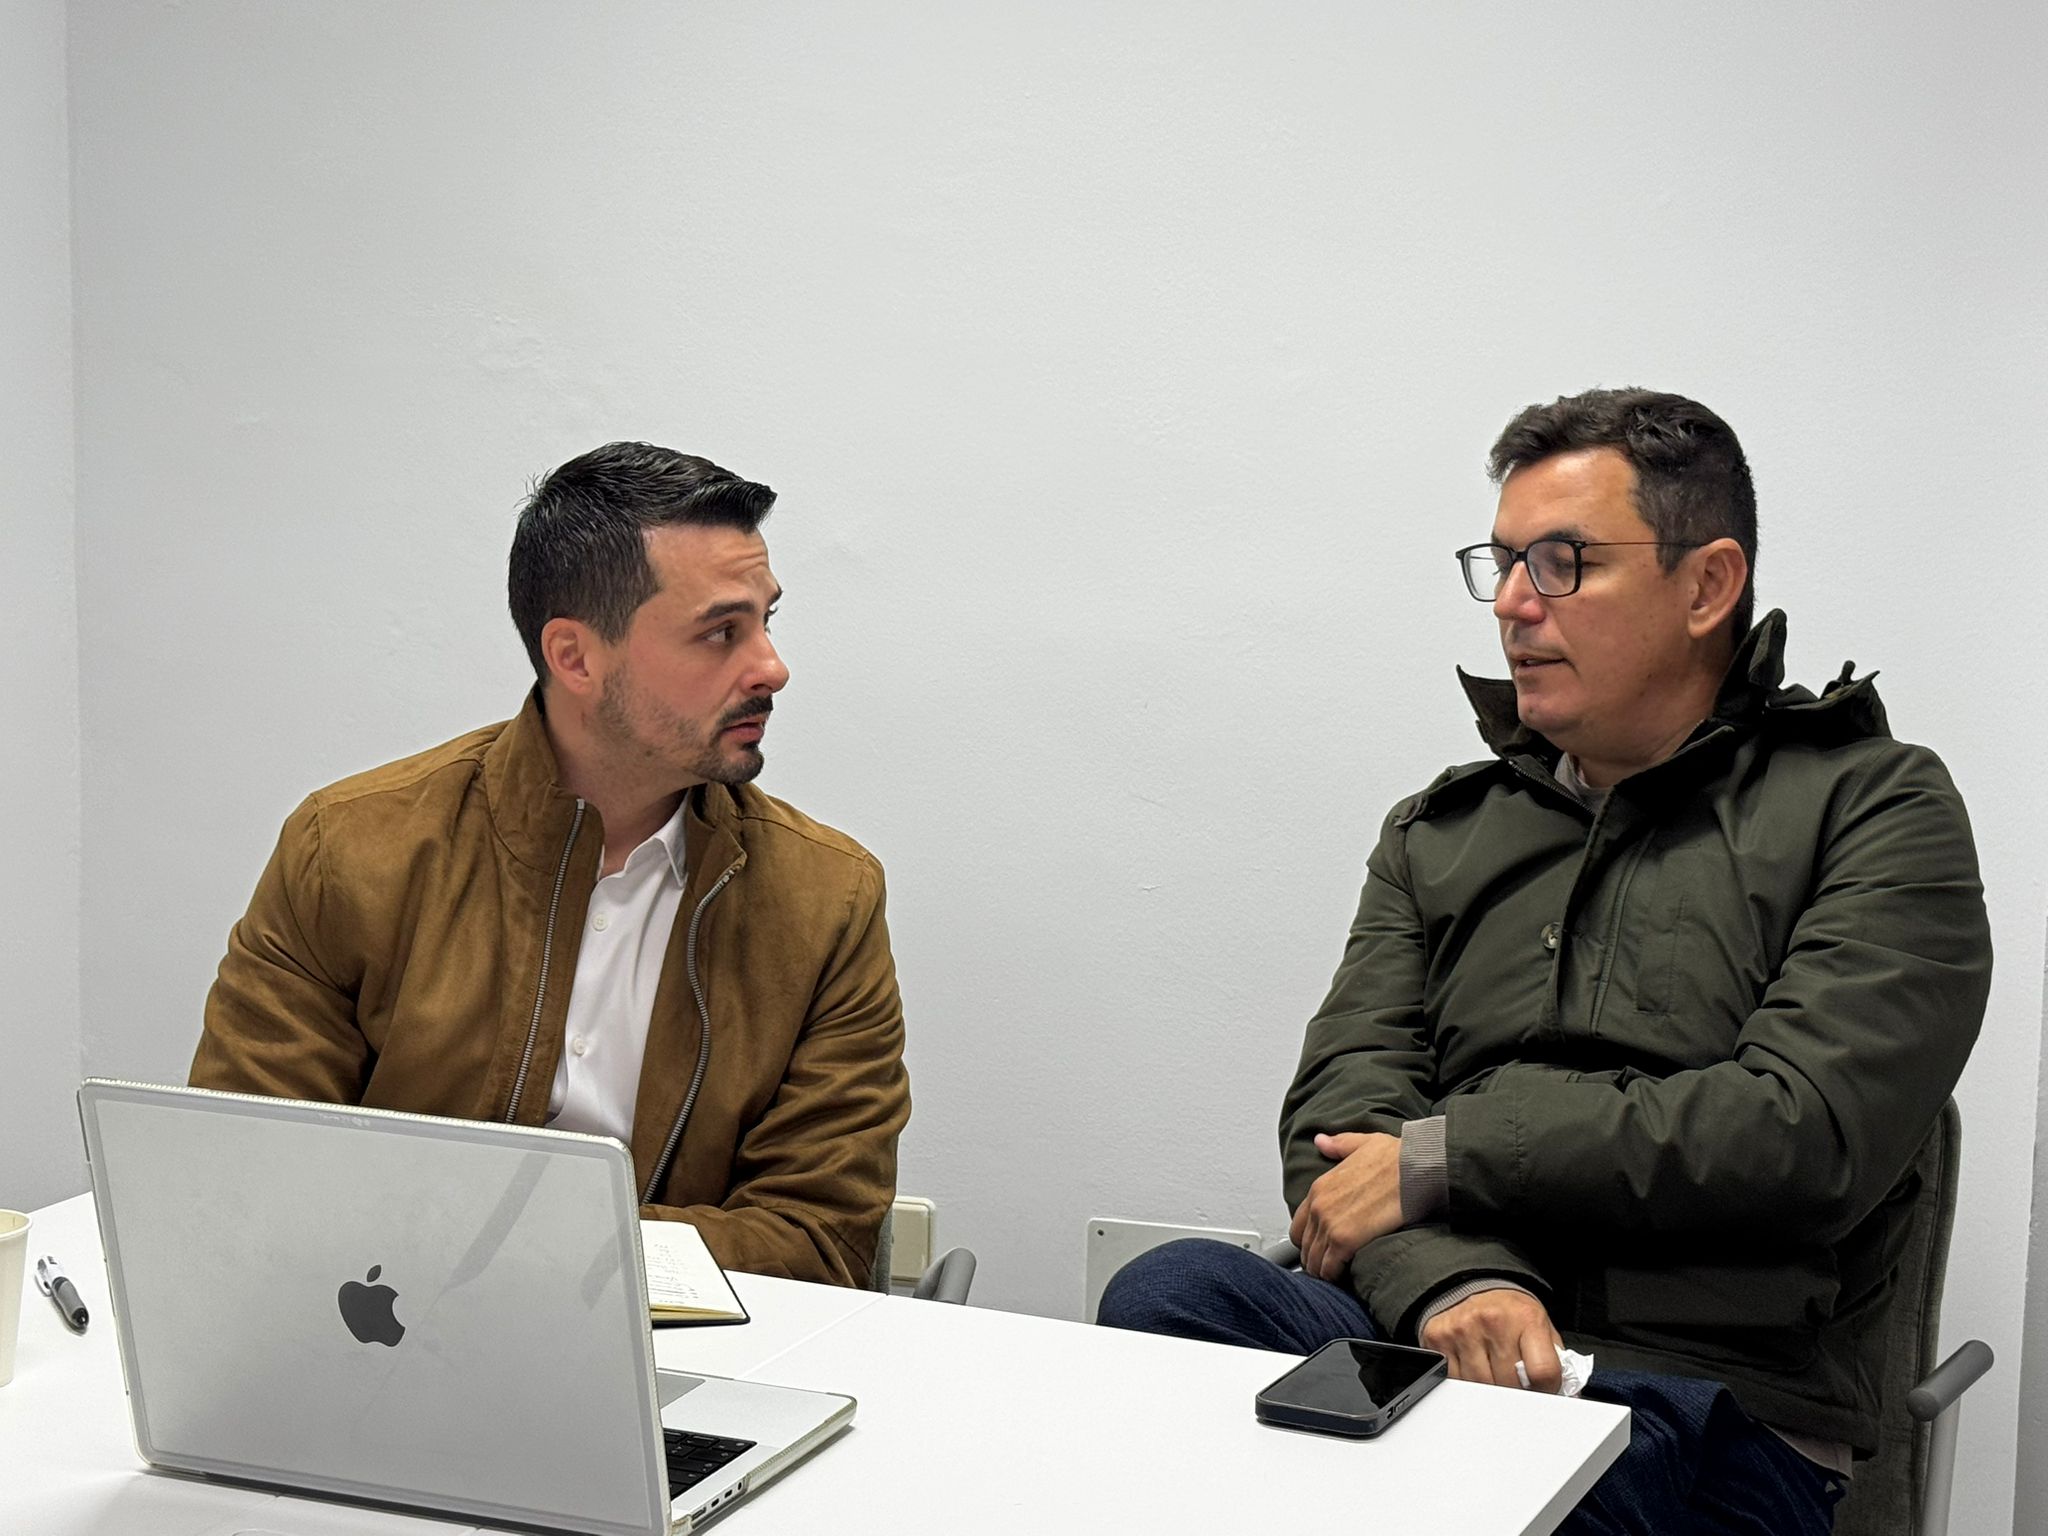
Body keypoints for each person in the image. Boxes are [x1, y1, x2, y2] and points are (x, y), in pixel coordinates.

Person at [1098, 389, 1990, 1533]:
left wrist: (1443, 1158)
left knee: (1501, 1499)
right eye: (1504, 563)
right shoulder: (1438, 832)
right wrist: (1453, 1282)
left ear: (1706, 586)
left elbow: (1796, 1136)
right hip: (1427, 1345)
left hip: (1705, 1405)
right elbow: (1341, 1120)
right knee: (1170, 1293)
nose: (1514, 604)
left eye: (1563, 562)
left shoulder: (1872, 807)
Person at [192, 441, 910, 1288]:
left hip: (688, 1350)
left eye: (766, 622)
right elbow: (245, 1169)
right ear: (574, 657)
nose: (771, 668)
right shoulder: (348, 852)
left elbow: (819, 1241)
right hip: (386, 1334)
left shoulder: (827, 900)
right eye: (722, 632)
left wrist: (528, 1258)